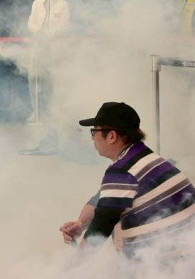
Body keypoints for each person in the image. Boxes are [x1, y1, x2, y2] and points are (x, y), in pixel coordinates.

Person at [63, 102, 195, 261]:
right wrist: (80, 224)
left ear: (111, 136)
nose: (92, 138)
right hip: (185, 256)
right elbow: (101, 199)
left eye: (94, 131)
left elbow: (101, 226)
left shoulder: (123, 170)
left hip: (172, 267)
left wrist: (72, 269)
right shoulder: (143, 157)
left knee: (117, 231)